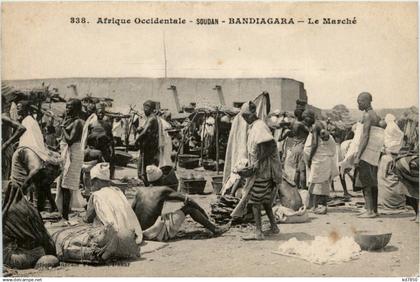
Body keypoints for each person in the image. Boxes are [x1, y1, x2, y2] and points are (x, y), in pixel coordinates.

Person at [233, 101, 281, 241]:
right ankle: (274, 226)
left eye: (244, 117)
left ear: (248, 115)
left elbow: (270, 146)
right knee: (265, 200)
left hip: (263, 170)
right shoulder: (255, 127)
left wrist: (257, 162)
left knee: (254, 201)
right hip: (261, 168)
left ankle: (258, 232)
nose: (244, 120)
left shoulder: (259, 127)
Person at [131, 185, 228, 242]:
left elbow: (131, 211)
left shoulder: (140, 191)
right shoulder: (163, 190)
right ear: (161, 178)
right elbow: (188, 200)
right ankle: (215, 229)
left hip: (139, 231)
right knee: (189, 208)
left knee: (164, 215)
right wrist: (202, 211)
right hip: (154, 233)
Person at [84, 162, 143, 244]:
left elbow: (88, 219)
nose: (91, 186)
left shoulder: (96, 195)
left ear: (97, 182)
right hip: (133, 235)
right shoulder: (118, 191)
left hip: (115, 237)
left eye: (92, 183)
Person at [354, 92, 383, 218]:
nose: (358, 104)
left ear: (367, 101)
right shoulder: (375, 115)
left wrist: (358, 155)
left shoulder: (367, 115)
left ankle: (369, 211)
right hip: (373, 154)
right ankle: (374, 210)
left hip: (366, 153)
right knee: (373, 181)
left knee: (365, 181)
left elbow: (365, 137)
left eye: (360, 101)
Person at [303, 110, 338, 214]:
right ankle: (317, 205)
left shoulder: (315, 126)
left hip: (320, 159)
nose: (305, 121)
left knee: (319, 182)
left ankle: (322, 206)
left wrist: (309, 158)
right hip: (321, 158)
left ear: (311, 117)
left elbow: (314, 144)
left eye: (306, 118)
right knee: (317, 182)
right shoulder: (318, 124)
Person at [57, 98, 85, 220]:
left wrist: (63, 127)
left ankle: (65, 216)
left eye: (70, 107)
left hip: (73, 153)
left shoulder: (78, 122)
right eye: (66, 106)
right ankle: (64, 212)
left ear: (77, 108)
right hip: (67, 153)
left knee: (66, 185)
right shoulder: (71, 120)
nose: (67, 109)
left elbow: (70, 139)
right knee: (63, 184)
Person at [135, 100, 159, 186]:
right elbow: (146, 130)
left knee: (145, 165)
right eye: (144, 107)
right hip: (147, 146)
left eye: (146, 108)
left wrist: (137, 140)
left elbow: (145, 132)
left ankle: (146, 183)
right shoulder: (150, 118)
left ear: (151, 109)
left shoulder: (152, 118)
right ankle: (145, 182)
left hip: (149, 146)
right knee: (144, 164)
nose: (144, 110)